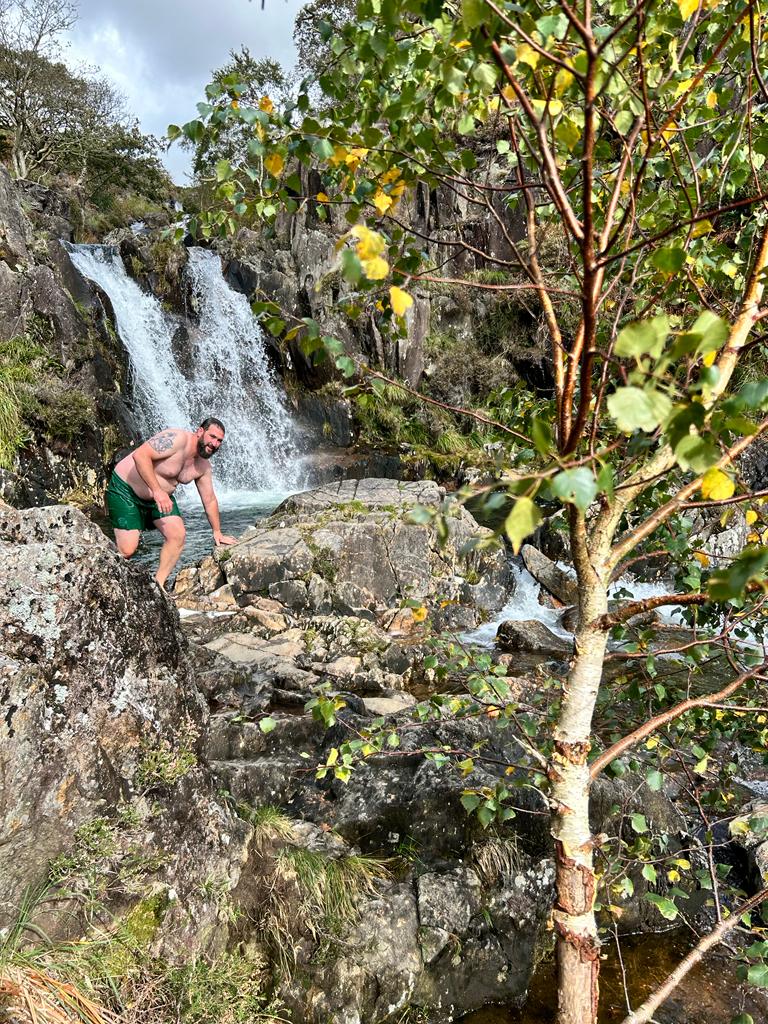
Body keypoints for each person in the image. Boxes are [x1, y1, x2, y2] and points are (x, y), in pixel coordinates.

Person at [106, 417, 237, 588]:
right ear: (200, 431)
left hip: (159, 499)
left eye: (219, 440)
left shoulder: (203, 467)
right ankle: (99, 572)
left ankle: (157, 586)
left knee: (177, 536)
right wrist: (158, 491)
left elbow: (210, 499)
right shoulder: (176, 439)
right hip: (126, 490)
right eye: (212, 437)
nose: (215, 444)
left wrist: (217, 532)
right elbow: (140, 455)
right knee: (127, 550)